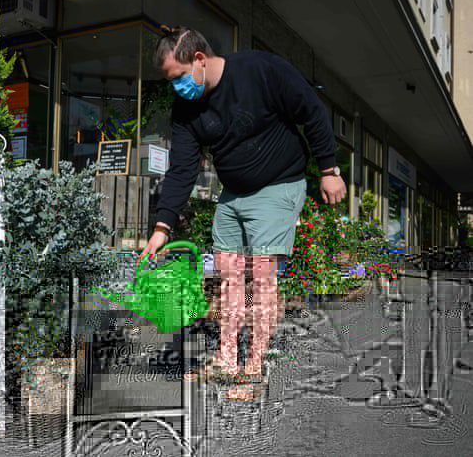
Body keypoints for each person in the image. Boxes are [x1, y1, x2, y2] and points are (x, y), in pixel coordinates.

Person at [139, 26, 347, 384]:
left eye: (179, 77)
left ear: (200, 59)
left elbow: (311, 110)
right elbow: (183, 168)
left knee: (262, 277)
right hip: (233, 194)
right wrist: (162, 227)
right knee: (228, 276)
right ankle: (227, 360)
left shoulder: (259, 69)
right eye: (170, 81)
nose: (177, 87)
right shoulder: (186, 108)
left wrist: (328, 170)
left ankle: (253, 369)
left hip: (279, 184)